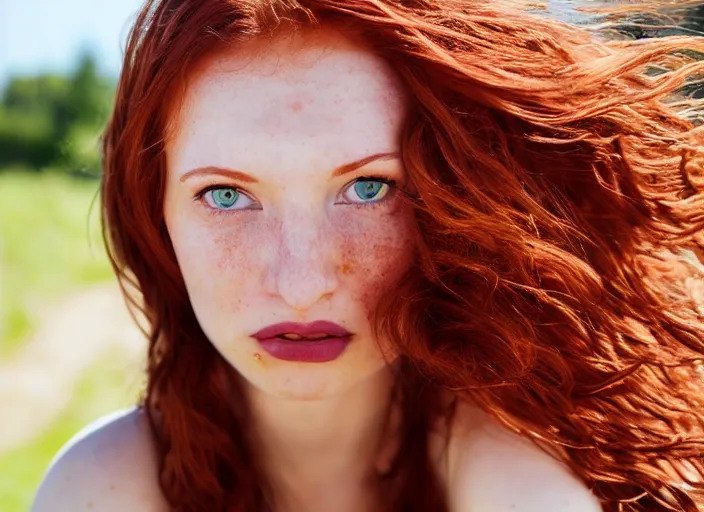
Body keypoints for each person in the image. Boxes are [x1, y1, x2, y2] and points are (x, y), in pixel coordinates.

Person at [33, 0, 704, 510]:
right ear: (156, 218)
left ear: (452, 201)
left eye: (368, 187)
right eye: (226, 196)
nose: (302, 284)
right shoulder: (105, 486)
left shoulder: (529, 462)